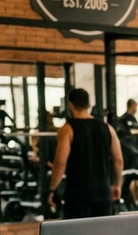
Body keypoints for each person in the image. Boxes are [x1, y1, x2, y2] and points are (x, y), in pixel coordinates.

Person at [47, 88, 123, 219]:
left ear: (70, 104)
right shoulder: (107, 128)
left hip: (78, 197)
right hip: (103, 195)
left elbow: (60, 162)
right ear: (88, 105)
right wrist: (117, 185)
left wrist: (52, 190)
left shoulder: (67, 129)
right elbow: (118, 160)